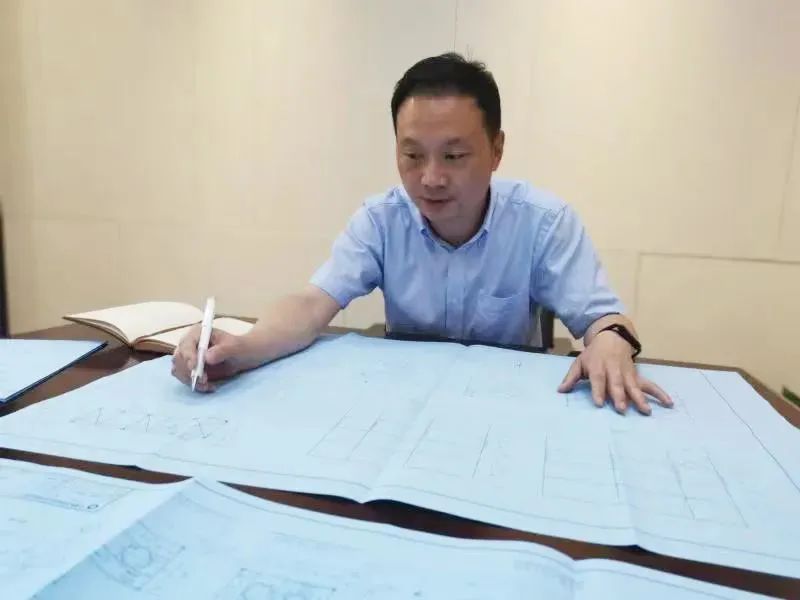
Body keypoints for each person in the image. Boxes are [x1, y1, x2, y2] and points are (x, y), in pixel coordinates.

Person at [172, 53, 672, 415]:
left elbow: (605, 319)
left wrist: (609, 343)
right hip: (404, 409)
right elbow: (310, 304)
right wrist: (242, 348)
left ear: (497, 150)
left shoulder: (543, 222)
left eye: (454, 156)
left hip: (502, 412)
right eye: (412, 155)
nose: (430, 178)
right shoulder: (380, 219)